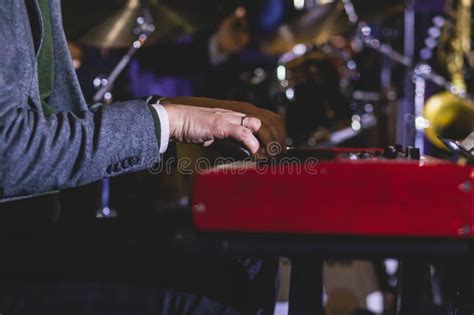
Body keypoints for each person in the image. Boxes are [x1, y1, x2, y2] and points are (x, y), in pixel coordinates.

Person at [0, 0, 285, 313]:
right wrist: (166, 122)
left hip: (41, 236)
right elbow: (10, 153)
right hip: (16, 253)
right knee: (216, 297)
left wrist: (180, 111)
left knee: (249, 253)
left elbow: (52, 121)